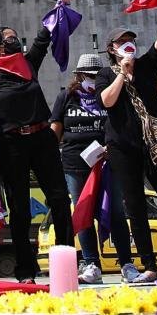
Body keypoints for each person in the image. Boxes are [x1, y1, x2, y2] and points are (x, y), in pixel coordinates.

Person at [0, 0, 75, 284]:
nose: (15, 40)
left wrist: (60, 4)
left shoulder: (28, 64)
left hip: (42, 138)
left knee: (59, 200)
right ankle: (25, 271)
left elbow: (43, 38)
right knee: (20, 208)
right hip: (10, 145)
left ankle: (66, 265)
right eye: (9, 38)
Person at [94, 2, 157, 283]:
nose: (128, 44)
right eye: (121, 41)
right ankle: (149, 266)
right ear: (112, 49)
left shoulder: (146, 66)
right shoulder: (105, 74)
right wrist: (122, 73)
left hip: (156, 144)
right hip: (123, 146)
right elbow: (107, 101)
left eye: (130, 40)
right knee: (135, 206)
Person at [51, 53, 134, 284]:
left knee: (115, 211)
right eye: (87, 75)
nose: (92, 80)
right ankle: (91, 264)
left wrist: (112, 146)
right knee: (83, 212)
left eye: (96, 76)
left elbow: (123, 126)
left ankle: (126, 264)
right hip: (75, 165)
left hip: (108, 163)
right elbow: (55, 131)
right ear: (78, 75)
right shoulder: (66, 97)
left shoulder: (111, 96)